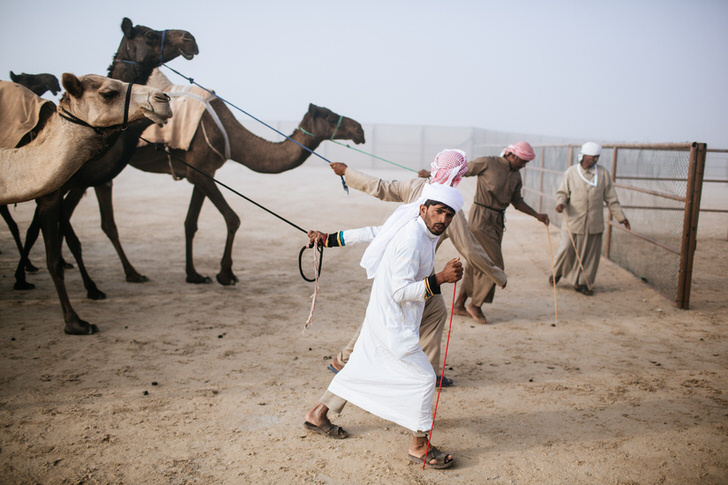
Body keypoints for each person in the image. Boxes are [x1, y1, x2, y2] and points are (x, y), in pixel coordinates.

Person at [303, 182, 464, 469]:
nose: (443, 220)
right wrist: (440, 278)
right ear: (424, 209)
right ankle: (418, 446)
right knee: (424, 379)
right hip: (393, 320)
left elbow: (375, 232)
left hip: (385, 313)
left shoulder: (417, 225)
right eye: (439, 212)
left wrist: (330, 239)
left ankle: (317, 414)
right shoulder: (412, 240)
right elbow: (399, 292)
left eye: (449, 215)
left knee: (361, 366)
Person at [321, 149, 506, 386]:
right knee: (384, 316)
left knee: (433, 311)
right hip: (414, 274)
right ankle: (350, 362)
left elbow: (381, 187)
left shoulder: (418, 186)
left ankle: (425, 371)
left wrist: (348, 172)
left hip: (404, 268)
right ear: (459, 176)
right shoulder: (451, 209)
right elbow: (470, 250)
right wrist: (497, 275)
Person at [451, 142, 549, 323]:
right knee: (495, 264)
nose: (524, 165)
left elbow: (517, 202)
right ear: (512, 155)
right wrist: (434, 174)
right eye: (522, 161)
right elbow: (464, 170)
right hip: (480, 218)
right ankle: (476, 305)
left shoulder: (516, 176)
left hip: (497, 221)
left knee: (476, 262)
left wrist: (537, 215)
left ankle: (459, 304)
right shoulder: (488, 162)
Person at [550, 141, 631, 295]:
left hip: (593, 223)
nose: (594, 160)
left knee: (589, 255)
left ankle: (582, 283)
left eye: (597, 157)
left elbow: (611, 199)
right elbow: (562, 193)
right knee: (567, 248)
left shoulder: (603, 174)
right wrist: (560, 204)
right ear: (583, 156)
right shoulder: (571, 173)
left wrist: (621, 217)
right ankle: (557, 272)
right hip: (573, 221)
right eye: (592, 157)